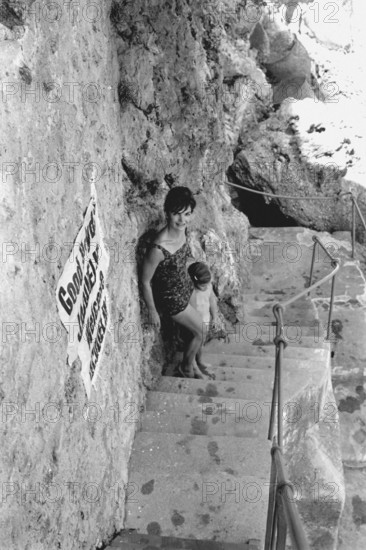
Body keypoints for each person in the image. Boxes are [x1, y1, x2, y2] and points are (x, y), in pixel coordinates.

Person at [140, 186, 206, 379]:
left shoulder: (183, 230)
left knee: (192, 331)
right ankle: (185, 368)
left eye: (187, 214)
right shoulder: (159, 248)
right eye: (176, 214)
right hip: (173, 299)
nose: (182, 220)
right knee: (201, 330)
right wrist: (152, 310)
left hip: (187, 287)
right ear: (167, 213)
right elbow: (145, 281)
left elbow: (185, 258)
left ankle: (195, 363)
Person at [188, 262, 219, 372]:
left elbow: (212, 301)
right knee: (192, 343)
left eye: (207, 284)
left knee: (201, 344)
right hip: (193, 322)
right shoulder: (191, 291)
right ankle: (193, 365)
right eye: (202, 285)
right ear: (194, 281)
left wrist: (215, 317)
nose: (205, 287)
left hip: (205, 320)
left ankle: (199, 360)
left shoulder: (209, 286)